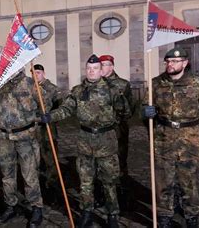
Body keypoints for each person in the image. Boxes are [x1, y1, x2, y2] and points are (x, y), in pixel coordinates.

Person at [40, 55, 131, 228]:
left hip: (106, 140)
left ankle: (112, 214)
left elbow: (125, 112)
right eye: (89, 68)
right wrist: (49, 116)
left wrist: (111, 122)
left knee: (109, 181)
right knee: (85, 181)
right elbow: (66, 109)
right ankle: (86, 212)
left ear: (101, 70)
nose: (91, 71)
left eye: (95, 68)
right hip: (85, 140)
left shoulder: (112, 90)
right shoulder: (77, 91)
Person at [142, 47, 199, 228]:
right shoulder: (156, 83)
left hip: (190, 139)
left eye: (175, 61)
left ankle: (192, 217)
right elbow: (145, 108)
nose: (170, 64)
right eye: (168, 61)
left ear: (184, 63)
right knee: (162, 181)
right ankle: (165, 216)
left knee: (190, 181)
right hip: (163, 138)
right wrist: (146, 113)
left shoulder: (197, 83)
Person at [0, 71, 44, 228]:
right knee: (7, 175)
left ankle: (36, 207)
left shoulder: (30, 83)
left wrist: (38, 117)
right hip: (5, 139)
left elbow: (45, 104)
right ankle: (11, 205)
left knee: (29, 174)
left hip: (25, 137)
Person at [31, 64, 64, 191]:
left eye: (38, 72)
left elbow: (58, 108)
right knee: (35, 158)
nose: (36, 75)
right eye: (33, 73)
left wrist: (50, 117)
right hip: (33, 128)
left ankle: (52, 183)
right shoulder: (29, 88)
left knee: (50, 157)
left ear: (43, 73)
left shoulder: (52, 89)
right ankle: (38, 183)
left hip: (47, 128)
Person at [100, 55, 133, 177]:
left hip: (118, 127)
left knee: (120, 154)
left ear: (112, 66)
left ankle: (121, 178)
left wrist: (120, 121)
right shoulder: (96, 83)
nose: (101, 67)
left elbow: (130, 106)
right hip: (101, 127)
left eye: (104, 64)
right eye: (100, 65)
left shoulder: (123, 84)